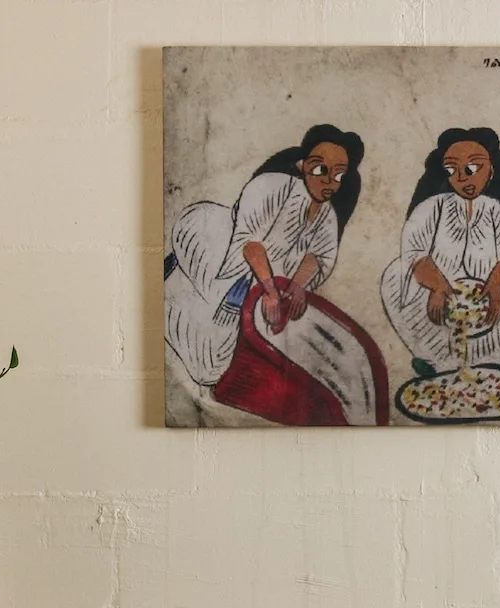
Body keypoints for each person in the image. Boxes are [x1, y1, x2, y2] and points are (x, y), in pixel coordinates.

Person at [163, 123, 385, 425]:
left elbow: (317, 256)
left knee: (212, 364)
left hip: (255, 283)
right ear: (303, 165)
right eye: (322, 170)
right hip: (213, 251)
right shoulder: (271, 187)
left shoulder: (327, 216)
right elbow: (250, 243)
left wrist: (296, 286)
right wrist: (269, 289)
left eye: (340, 174)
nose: (331, 181)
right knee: (202, 334)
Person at [379, 127, 500, 379]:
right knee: (393, 275)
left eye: (472, 169)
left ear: (491, 169)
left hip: (489, 293)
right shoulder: (431, 207)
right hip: (438, 292)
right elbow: (413, 250)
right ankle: (432, 360)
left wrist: (497, 286)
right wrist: (437, 286)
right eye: (451, 170)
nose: (462, 177)